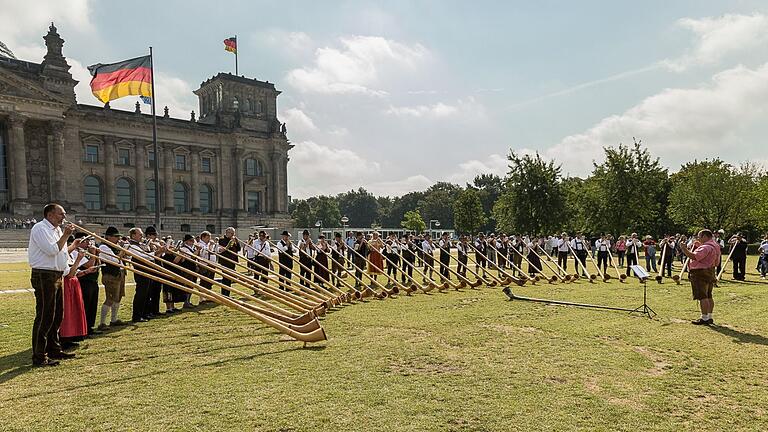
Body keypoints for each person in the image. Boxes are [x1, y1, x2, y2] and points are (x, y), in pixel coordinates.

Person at [28, 203, 80, 366]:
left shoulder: (56, 230)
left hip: (56, 274)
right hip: (44, 275)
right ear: (50, 215)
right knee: (45, 315)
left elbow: (61, 253)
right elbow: (51, 250)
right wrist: (65, 235)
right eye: (61, 214)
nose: (64, 217)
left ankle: (54, 349)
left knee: (57, 315)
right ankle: (39, 356)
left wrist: (73, 246)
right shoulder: (40, 228)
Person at [679, 229, 721, 325]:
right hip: (710, 271)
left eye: (700, 236)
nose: (698, 238)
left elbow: (694, 256)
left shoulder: (706, 247)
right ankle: (709, 316)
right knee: (709, 295)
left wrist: (684, 249)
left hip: (700, 273)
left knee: (703, 296)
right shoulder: (715, 245)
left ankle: (704, 318)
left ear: (705, 236)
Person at [98, 227, 127, 330]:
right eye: (115, 237)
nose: (118, 239)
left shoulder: (114, 246)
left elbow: (123, 260)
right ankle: (102, 323)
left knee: (118, 298)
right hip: (110, 275)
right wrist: (123, 251)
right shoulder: (103, 247)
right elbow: (114, 260)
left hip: (119, 273)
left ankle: (113, 320)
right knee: (110, 299)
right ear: (108, 237)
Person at [60, 245, 89, 348]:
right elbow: (70, 273)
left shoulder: (69, 256)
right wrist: (79, 259)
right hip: (67, 284)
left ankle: (72, 336)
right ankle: (64, 338)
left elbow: (75, 273)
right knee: (68, 312)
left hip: (73, 284)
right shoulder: (63, 257)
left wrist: (86, 271)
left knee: (74, 311)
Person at [72, 232, 101, 336]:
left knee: (93, 305)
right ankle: (83, 329)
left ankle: (90, 326)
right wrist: (93, 254)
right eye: (85, 241)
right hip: (83, 281)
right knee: (85, 305)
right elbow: (89, 265)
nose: (88, 243)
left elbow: (97, 264)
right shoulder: (75, 252)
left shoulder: (87, 251)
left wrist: (96, 254)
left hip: (93, 280)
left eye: (89, 240)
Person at [143, 226, 164, 317]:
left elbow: (158, 256)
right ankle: (148, 311)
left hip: (157, 267)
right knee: (149, 292)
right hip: (150, 269)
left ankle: (155, 310)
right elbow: (147, 256)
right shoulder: (145, 244)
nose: (155, 237)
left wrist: (161, 250)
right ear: (148, 235)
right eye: (153, 235)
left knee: (157, 290)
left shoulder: (155, 244)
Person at [217, 227, 241, 296]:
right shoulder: (222, 239)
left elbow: (238, 249)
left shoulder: (233, 240)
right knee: (225, 278)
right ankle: (224, 294)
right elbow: (226, 248)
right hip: (225, 261)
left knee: (230, 278)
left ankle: (227, 294)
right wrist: (231, 241)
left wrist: (237, 242)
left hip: (232, 261)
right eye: (231, 233)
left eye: (234, 233)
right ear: (227, 232)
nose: (233, 235)